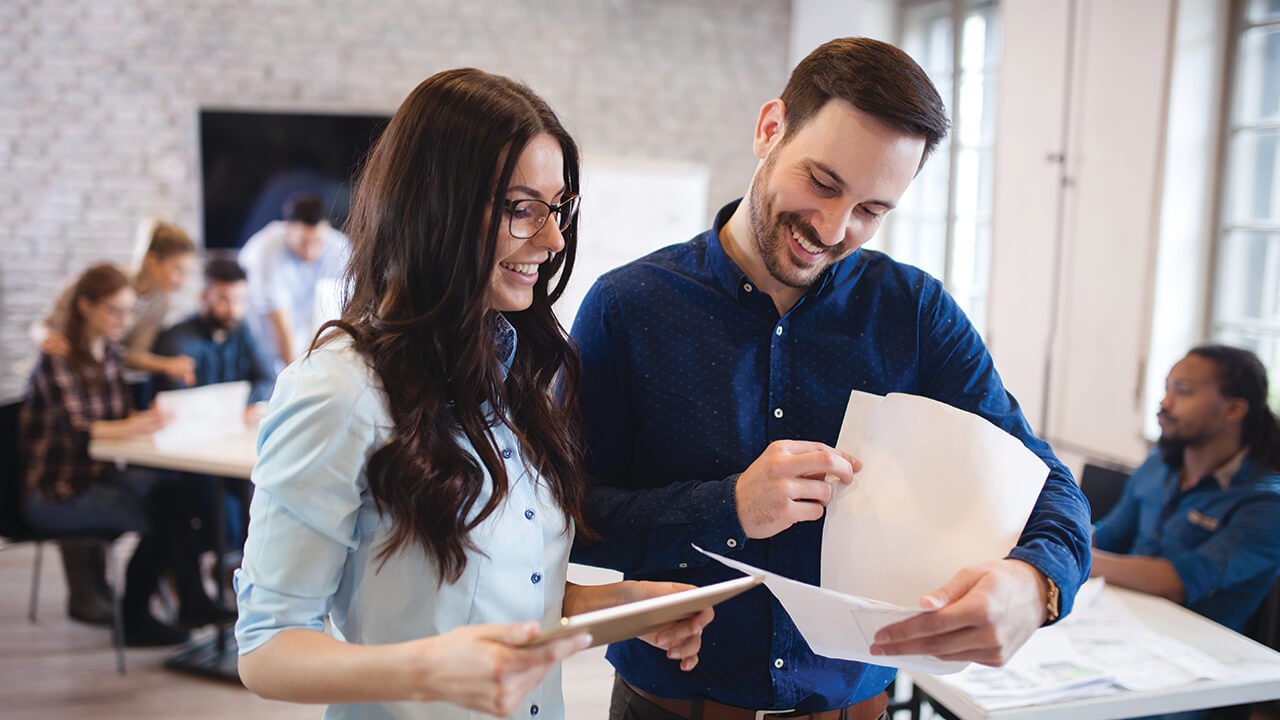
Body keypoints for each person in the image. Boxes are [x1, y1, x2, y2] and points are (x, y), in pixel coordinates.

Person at [569, 37, 1093, 720]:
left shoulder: (914, 313)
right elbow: (572, 516)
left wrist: (1036, 583)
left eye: (872, 210)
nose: (832, 227)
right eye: (822, 182)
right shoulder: (628, 306)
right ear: (769, 130)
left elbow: (1044, 479)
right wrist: (727, 508)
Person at [234, 68, 710, 720]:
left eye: (558, 208)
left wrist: (610, 607)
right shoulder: (338, 393)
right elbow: (266, 648)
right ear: (437, 206)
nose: (552, 240)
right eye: (522, 209)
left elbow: (480, 591)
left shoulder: (518, 375)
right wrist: (429, 670)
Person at [20, 263, 237, 646]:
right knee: (162, 515)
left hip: (95, 475)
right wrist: (133, 426)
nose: (123, 320)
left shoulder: (108, 353)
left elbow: (116, 418)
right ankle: (140, 615)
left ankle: (189, 600)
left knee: (177, 493)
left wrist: (146, 418)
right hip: (57, 492)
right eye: (114, 311)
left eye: (127, 311)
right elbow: (78, 427)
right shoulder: (58, 356)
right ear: (85, 306)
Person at [1092, 345, 1280, 635]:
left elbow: (1179, 581)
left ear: (1233, 409)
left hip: (1200, 650)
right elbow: (1109, 536)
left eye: (1183, 391)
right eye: (1166, 389)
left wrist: (1073, 557)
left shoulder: (1267, 504)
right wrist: (1050, 539)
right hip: (1123, 622)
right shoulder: (1158, 464)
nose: (1165, 403)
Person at [32, 221, 199, 387]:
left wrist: (167, 365)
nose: (182, 281)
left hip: (102, 379)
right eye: (178, 270)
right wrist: (45, 338)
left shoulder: (160, 302)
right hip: (65, 371)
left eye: (187, 273)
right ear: (153, 260)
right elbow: (41, 327)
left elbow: (130, 355)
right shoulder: (103, 283)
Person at [238, 191, 351, 373]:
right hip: (261, 339)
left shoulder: (337, 245)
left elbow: (346, 302)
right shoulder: (266, 248)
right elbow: (277, 316)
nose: (311, 251)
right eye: (303, 243)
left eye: (317, 241)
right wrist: (296, 375)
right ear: (288, 228)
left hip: (306, 337)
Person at [153, 256, 275, 404]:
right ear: (204, 297)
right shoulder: (177, 339)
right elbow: (178, 400)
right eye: (224, 300)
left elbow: (269, 380)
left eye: (240, 300)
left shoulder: (243, 331)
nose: (233, 310)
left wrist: (244, 402)